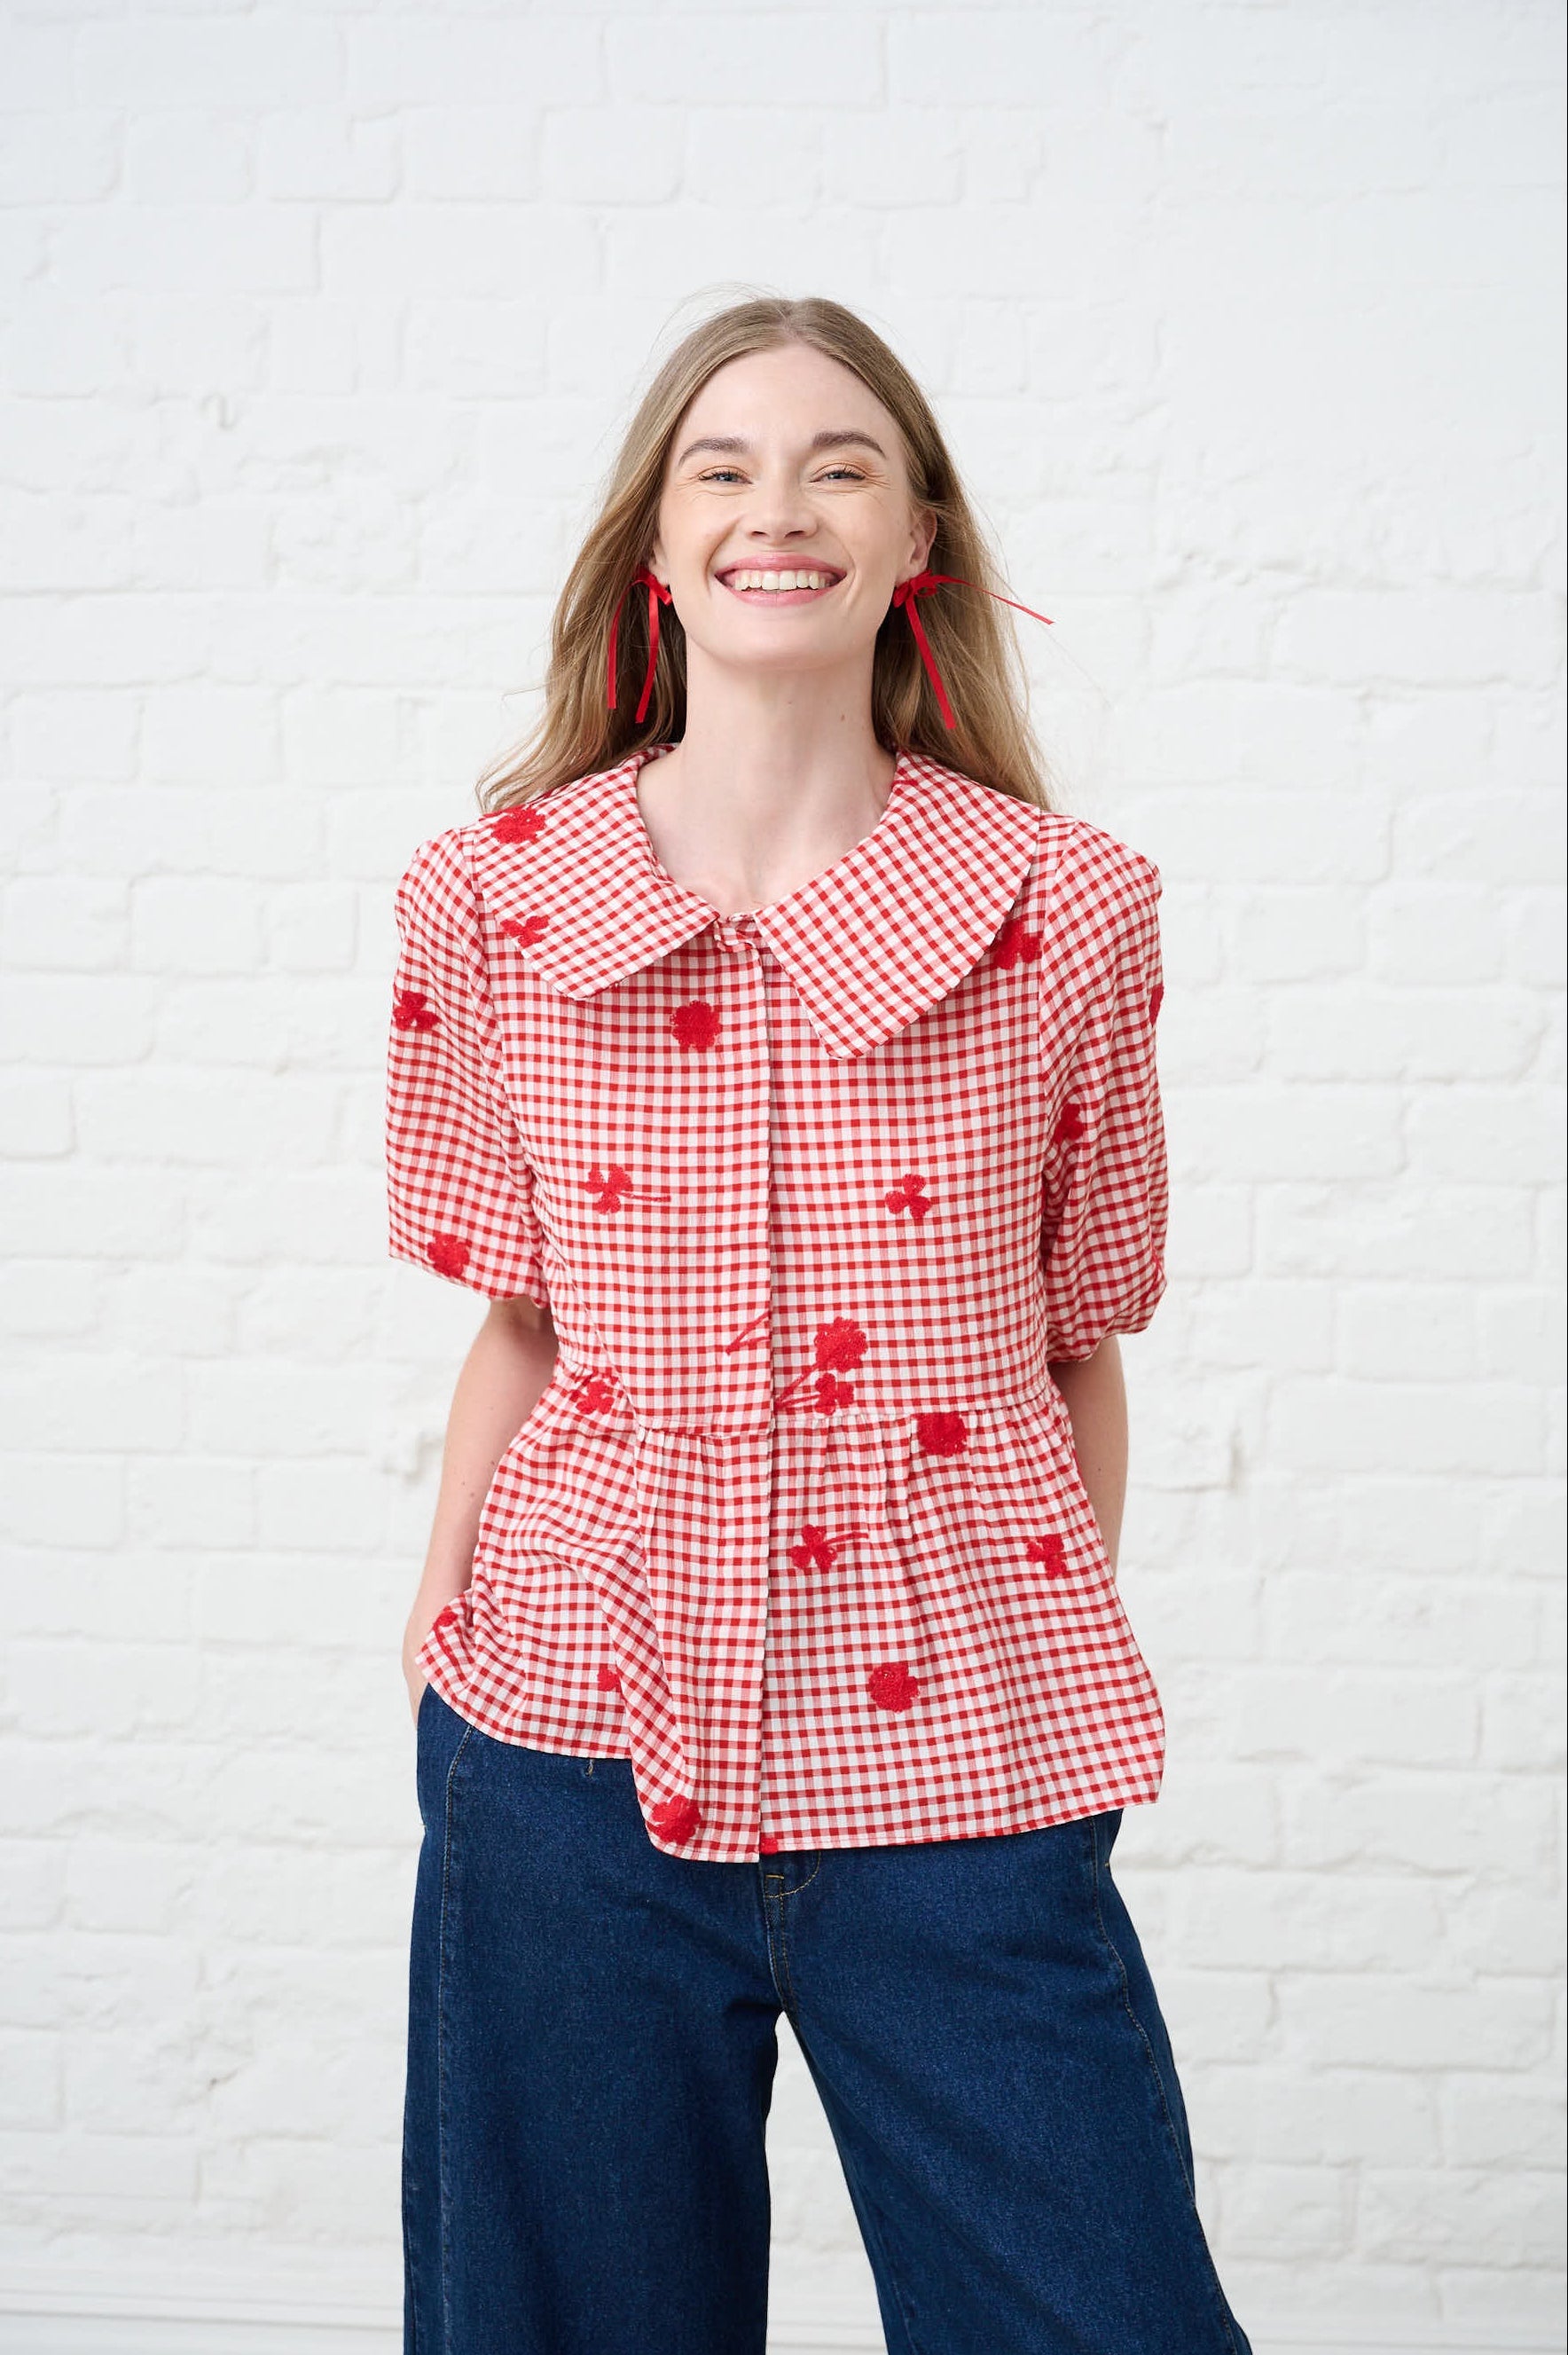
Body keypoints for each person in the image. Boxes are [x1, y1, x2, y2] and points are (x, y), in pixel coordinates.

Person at [387, 294, 1254, 2355]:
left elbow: (1076, 1336)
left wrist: (1015, 1682)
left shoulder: (1067, 906)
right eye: (724, 465)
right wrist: (443, 1676)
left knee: (1095, 2309)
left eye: (838, 463)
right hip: (561, 1737)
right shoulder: (488, 898)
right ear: (658, 547)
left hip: (958, 1740)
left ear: (914, 541)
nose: (779, 507)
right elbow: (520, 1326)